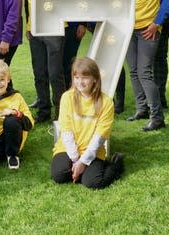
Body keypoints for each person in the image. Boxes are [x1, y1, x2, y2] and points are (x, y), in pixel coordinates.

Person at [120, 0, 169, 132]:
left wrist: (156, 23)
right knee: (133, 70)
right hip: (129, 31)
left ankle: (157, 116)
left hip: (148, 30)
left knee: (144, 72)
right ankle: (141, 108)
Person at [22, 0, 74, 123]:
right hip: (35, 29)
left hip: (54, 28)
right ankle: (43, 111)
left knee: (55, 73)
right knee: (39, 72)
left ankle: (60, 113)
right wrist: (28, 25)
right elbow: (27, 0)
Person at [50, 57, 124, 189]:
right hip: (68, 148)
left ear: (95, 79)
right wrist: (75, 159)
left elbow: (100, 138)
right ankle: (82, 171)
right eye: (76, 77)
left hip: (92, 150)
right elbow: (66, 131)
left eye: (85, 77)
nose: (80, 82)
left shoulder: (106, 102)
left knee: (92, 182)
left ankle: (115, 165)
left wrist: (83, 162)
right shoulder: (67, 97)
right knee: (59, 175)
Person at [84, 0, 127, 114]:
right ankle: (103, 96)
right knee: (100, 59)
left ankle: (120, 100)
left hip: (116, 18)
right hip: (98, 20)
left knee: (115, 59)